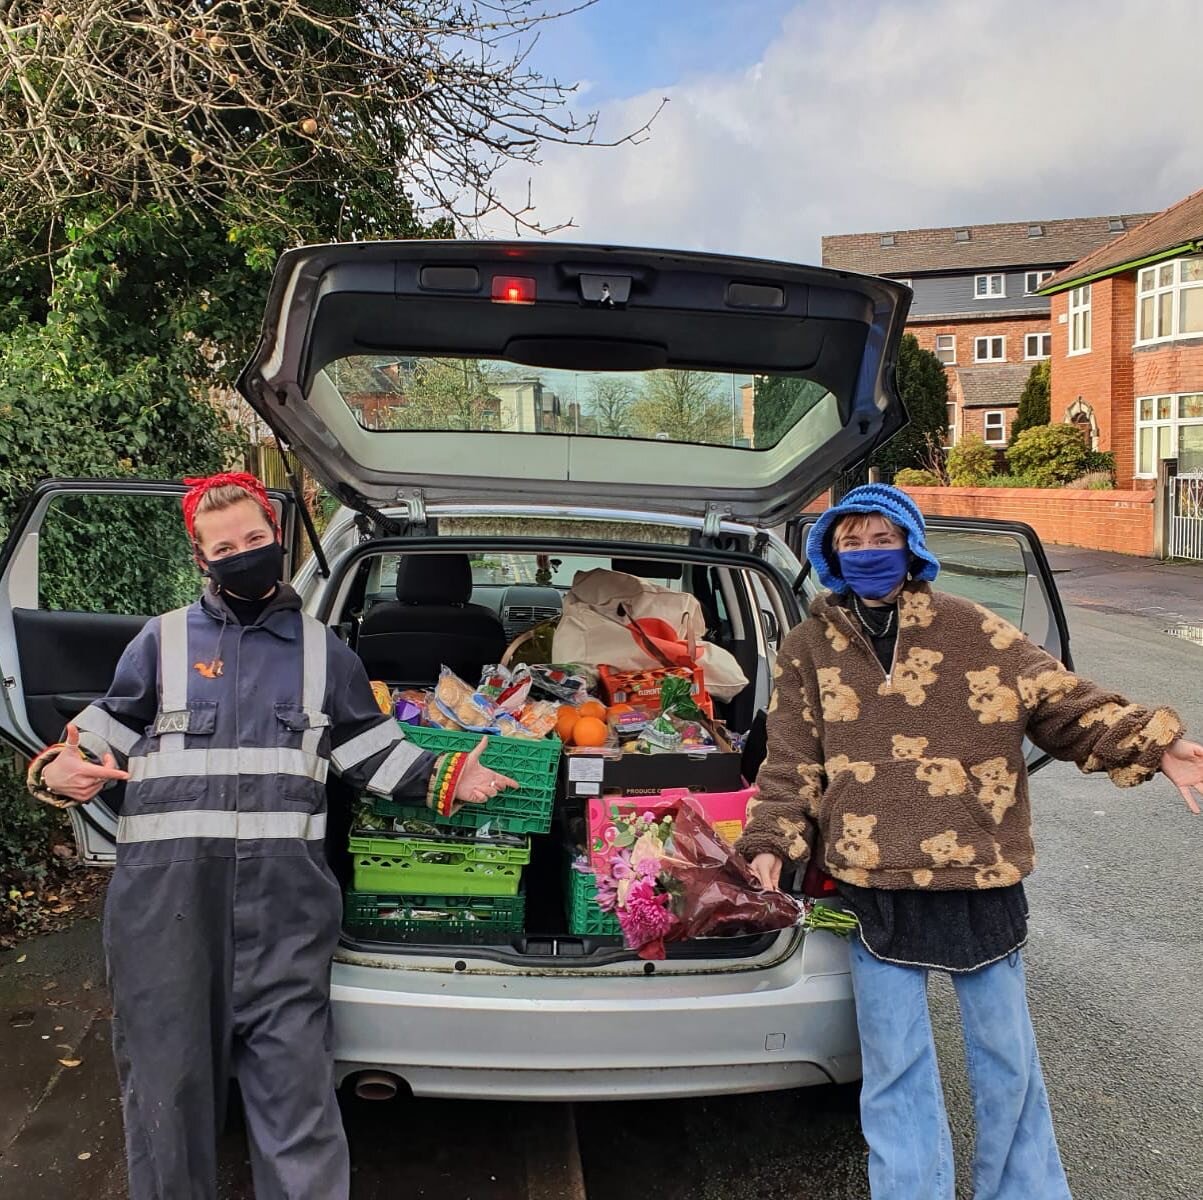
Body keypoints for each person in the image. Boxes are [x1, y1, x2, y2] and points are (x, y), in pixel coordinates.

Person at [24, 472, 518, 1200]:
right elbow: (91, 739)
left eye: (255, 540)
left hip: (286, 909)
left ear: (278, 542)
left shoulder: (326, 655)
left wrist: (450, 780)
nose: (242, 555)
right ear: (201, 559)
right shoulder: (158, 644)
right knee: (167, 1095)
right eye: (224, 547)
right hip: (166, 910)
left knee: (297, 1102)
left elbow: (368, 750)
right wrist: (52, 771)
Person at [735, 484, 1202, 1200]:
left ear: (911, 546)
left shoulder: (973, 629)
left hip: (978, 870)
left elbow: (1064, 705)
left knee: (1005, 1060)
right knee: (893, 1068)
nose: (865, 554)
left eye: (880, 538)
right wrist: (769, 839)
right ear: (829, 553)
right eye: (849, 542)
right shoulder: (805, 648)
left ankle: (1024, 1192)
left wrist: (1155, 743)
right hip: (873, 877)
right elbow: (789, 761)